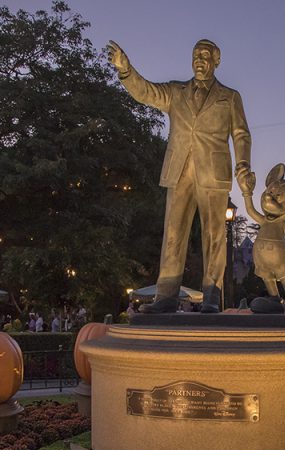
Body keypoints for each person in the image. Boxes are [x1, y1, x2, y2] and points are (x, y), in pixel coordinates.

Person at [108, 39, 255, 313]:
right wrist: (126, 71)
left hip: (213, 172)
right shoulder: (176, 92)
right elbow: (147, 92)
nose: (199, 60)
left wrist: (243, 164)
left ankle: (212, 295)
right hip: (179, 171)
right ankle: (165, 296)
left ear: (216, 60)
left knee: (213, 236)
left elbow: (241, 134)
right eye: (195, 55)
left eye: (205, 55)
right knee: (173, 235)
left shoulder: (229, 97)